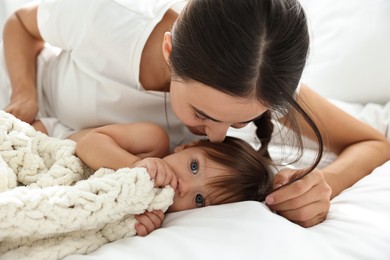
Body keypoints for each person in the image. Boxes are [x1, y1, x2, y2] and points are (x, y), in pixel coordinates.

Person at [1, 0, 390, 231]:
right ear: (170, 53)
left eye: (240, 123)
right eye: (203, 114)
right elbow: (20, 25)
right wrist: (24, 97)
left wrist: (322, 185)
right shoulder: (105, 16)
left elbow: (373, 143)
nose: (217, 138)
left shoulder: (260, 79)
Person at [74, 122, 274, 236]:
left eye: (199, 200)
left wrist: (132, 223)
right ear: (187, 147)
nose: (183, 186)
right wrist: (135, 166)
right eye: (193, 167)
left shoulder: (156, 212)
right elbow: (88, 143)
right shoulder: (153, 141)